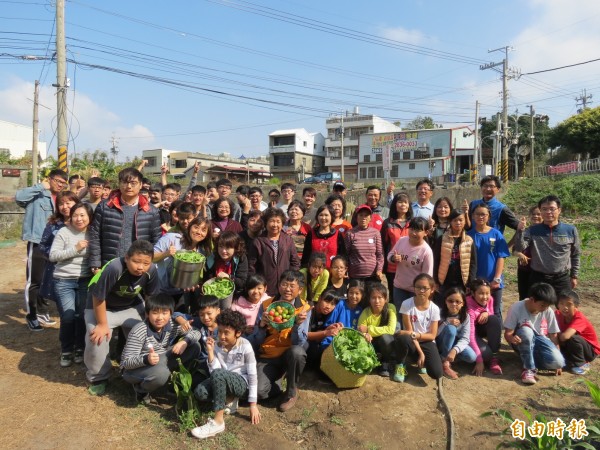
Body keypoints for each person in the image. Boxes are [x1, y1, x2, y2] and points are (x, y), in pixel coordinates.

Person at [84, 240, 161, 395]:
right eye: (136, 262)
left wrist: (150, 322)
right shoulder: (114, 268)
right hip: (101, 307)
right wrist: (102, 324)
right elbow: (98, 298)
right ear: (126, 258)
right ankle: (98, 377)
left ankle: (136, 371)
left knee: (146, 335)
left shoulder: (151, 270)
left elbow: (150, 297)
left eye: (146, 263)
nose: (141, 267)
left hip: (131, 306)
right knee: (98, 337)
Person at [247, 270, 310, 412]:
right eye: (284, 284)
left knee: (298, 352)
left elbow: (300, 342)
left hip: (289, 354)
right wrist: (261, 326)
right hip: (269, 355)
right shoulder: (266, 305)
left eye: (292, 286)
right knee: (259, 393)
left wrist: (297, 326)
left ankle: (291, 392)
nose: (287, 289)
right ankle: (277, 380)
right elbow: (256, 341)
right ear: (278, 285)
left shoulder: (304, 309)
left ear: (300, 289)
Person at [191, 309, 260, 439]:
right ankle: (229, 399)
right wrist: (210, 352)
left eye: (226, 333)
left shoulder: (245, 346)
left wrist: (253, 404)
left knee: (219, 375)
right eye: (220, 331)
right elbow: (214, 372)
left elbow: (252, 375)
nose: (221, 336)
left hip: (240, 383)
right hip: (221, 377)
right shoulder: (217, 344)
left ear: (238, 333)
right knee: (200, 392)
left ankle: (218, 421)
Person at [121, 294, 202, 404]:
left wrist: (185, 341)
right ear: (147, 314)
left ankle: (177, 381)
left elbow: (196, 332)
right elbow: (126, 362)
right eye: (155, 313)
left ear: (170, 314)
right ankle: (141, 390)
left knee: (194, 346)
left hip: (161, 359)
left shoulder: (173, 325)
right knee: (161, 373)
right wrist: (146, 359)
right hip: (134, 369)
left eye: (164, 313)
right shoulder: (139, 331)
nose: (160, 317)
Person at [15, 168, 68, 331]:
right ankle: (31, 316)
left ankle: (42, 311)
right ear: (49, 179)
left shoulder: (59, 198)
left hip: (55, 244)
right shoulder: (37, 194)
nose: (60, 185)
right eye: (58, 181)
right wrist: (40, 186)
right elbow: (18, 197)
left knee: (48, 279)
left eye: (63, 183)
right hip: (37, 241)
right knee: (34, 280)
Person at [88, 167, 162, 272]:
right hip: (109, 264)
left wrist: (147, 264)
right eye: (124, 182)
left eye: (133, 183)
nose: (128, 186)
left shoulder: (151, 211)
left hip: (139, 267)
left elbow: (156, 241)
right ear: (119, 184)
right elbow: (95, 235)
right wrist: (95, 264)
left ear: (141, 185)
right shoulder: (105, 206)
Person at [49, 202, 94, 367]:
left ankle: (79, 348)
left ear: (89, 217)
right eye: (75, 215)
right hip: (64, 280)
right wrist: (75, 248)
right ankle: (66, 349)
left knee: (82, 316)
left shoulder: (93, 233)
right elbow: (53, 256)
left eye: (82, 215)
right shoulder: (64, 232)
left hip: (85, 280)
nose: (79, 219)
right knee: (68, 317)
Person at [514, 195, 580, 296]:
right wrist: (520, 231)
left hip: (561, 278)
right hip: (538, 278)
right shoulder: (533, 230)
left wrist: (574, 275)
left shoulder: (570, 230)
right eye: (544, 209)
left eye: (552, 209)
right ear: (541, 211)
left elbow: (575, 254)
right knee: (536, 309)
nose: (548, 212)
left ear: (559, 210)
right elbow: (520, 248)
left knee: (564, 308)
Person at [504, 282, 565, 385]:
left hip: (540, 340)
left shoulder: (548, 311)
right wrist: (512, 339)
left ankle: (528, 358)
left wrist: (557, 357)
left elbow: (553, 335)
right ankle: (528, 369)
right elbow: (508, 333)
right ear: (532, 299)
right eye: (542, 305)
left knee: (559, 362)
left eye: (547, 305)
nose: (545, 308)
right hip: (522, 340)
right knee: (527, 331)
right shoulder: (517, 307)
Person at [394, 274, 443, 382]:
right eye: (418, 287)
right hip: (411, 339)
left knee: (437, 373)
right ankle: (400, 364)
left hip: (427, 341)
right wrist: (421, 353)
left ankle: (420, 362)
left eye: (425, 288)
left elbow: (432, 335)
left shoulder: (434, 308)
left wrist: (418, 336)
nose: (421, 291)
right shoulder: (407, 304)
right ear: (414, 289)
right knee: (404, 338)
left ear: (432, 290)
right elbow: (410, 332)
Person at [467, 203, 510, 320]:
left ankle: (496, 337)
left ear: (488, 216)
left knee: (495, 311)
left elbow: (501, 257)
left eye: (483, 214)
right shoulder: (468, 235)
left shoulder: (496, 234)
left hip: (493, 280)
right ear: (473, 216)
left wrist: (497, 278)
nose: (480, 217)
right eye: (477, 214)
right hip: (474, 282)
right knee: (473, 311)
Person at [38, 191, 79, 309]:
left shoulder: (85, 222)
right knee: (65, 309)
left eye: (68, 203)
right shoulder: (53, 224)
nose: (65, 207)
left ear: (76, 203)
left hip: (80, 270)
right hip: (58, 270)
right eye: (61, 204)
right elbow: (43, 246)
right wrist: (57, 254)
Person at [248, 207, 301, 296]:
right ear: (266, 223)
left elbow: (295, 262)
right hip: (265, 286)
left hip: (285, 286)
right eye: (272, 221)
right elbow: (252, 266)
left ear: (282, 223)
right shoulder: (258, 241)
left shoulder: (288, 240)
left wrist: (290, 279)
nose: (275, 225)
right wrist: (256, 284)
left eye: (278, 221)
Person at [433, 209, 477, 306]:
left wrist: (470, 282)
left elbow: (473, 263)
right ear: (450, 222)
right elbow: (436, 260)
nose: (458, 223)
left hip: (462, 281)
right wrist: (436, 280)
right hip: (444, 280)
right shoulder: (442, 239)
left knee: (459, 306)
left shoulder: (469, 240)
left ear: (465, 221)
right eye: (455, 220)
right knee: (442, 306)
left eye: (461, 220)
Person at [388, 217, 434, 309]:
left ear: (426, 233)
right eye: (411, 229)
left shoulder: (426, 251)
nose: (413, 233)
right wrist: (393, 258)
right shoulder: (402, 241)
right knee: (399, 315)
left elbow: (427, 276)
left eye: (417, 230)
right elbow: (390, 255)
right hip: (399, 287)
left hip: (415, 291)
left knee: (412, 317)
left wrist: (422, 292)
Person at [173, 295, 221, 379]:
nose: (206, 318)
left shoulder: (225, 325)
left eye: (209, 313)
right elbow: (175, 314)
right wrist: (183, 321)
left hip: (221, 362)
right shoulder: (198, 322)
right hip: (203, 362)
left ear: (218, 311)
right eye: (201, 314)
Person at [357, 283, 397, 378]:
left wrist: (369, 329)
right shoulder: (366, 312)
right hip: (372, 342)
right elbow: (360, 329)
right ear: (369, 300)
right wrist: (365, 334)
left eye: (380, 297)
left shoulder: (391, 308)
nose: (377, 301)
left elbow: (390, 330)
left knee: (386, 338)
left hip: (387, 343)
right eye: (373, 298)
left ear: (386, 299)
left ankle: (385, 362)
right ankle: (376, 358)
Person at [556, 290, 599, 375]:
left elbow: (564, 337)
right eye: (561, 304)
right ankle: (570, 360)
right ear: (557, 305)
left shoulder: (579, 318)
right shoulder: (557, 314)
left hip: (590, 351)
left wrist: (554, 332)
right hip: (571, 346)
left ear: (576, 306)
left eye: (569, 304)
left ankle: (581, 364)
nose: (565, 307)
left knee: (574, 338)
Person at [466, 279, 503, 376]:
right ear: (473, 293)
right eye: (481, 293)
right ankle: (487, 355)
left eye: (487, 293)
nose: (485, 297)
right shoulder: (469, 308)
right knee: (486, 355)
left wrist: (486, 312)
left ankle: (494, 357)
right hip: (468, 334)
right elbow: (470, 335)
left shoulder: (490, 299)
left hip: (479, 328)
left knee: (494, 320)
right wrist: (479, 361)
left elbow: (490, 313)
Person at [436, 288, 473, 380]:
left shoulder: (466, 316)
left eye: (458, 301)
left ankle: (448, 357)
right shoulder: (438, 313)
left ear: (463, 303)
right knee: (451, 329)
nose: (454, 304)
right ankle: (445, 362)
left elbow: (465, 338)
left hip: (454, 343)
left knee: (471, 357)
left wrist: (455, 350)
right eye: (450, 301)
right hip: (440, 341)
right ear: (445, 301)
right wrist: (446, 322)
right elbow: (434, 334)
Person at [382, 193, 414, 290]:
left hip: (411, 266)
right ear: (395, 205)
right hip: (392, 267)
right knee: (393, 296)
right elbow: (383, 245)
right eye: (400, 202)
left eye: (405, 202)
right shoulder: (388, 223)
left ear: (409, 206)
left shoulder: (414, 223)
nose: (403, 205)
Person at [344, 204, 384, 284]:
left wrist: (379, 270)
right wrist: (345, 270)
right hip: (355, 276)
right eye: (361, 215)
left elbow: (380, 255)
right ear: (356, 217)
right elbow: (346, 255)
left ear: (370, 218)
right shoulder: (350, 233)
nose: (363, 218)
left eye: (366, 215)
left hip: (372, 276)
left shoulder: (375, 233)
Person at [207, 231, 248, 307]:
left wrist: (229, 277)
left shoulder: (240, 258)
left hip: (233, 298)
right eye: (221, 246)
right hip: (213, 298)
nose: (223, 251)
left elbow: (242, 282)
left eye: (228, 247)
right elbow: (207, 279)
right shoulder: (212, 258)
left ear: (236, 248)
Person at [322, 279, 365, 348]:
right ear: (347, 293)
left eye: (357, 293)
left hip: (350, 342)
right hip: (334, 338)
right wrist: (335, 327)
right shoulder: (340, 304)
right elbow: (328, 326)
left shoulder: (361, 311)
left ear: (362, 295)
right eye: (351, 292)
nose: (354, 296)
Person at [512, 206, 543, 300]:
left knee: (538, 297)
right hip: (524, 269)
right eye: (533, 214)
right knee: (524, 297)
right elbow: (514, 250)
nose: (536, 216)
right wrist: (520, 254)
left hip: (540, 270)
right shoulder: (525, 231)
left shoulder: (545, 233)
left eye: (538, 214)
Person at [301, 204, 345, 269]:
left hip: (334, 273)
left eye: (326, 215)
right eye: (321, 215)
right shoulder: (311, 233)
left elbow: (343, 255)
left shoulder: (338, 234)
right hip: (315, 274)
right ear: (317, 217)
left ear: (332, 217)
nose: (323, 218)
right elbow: (306, 256)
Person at [306, 290, 342, 366]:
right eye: (326, 301)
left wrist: (328, 329)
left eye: (332, 304)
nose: (328, 306)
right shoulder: (309, 308)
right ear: (319, 299)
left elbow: (318, 337)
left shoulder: (328, 314)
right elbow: (305, 335)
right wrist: (326, 332)